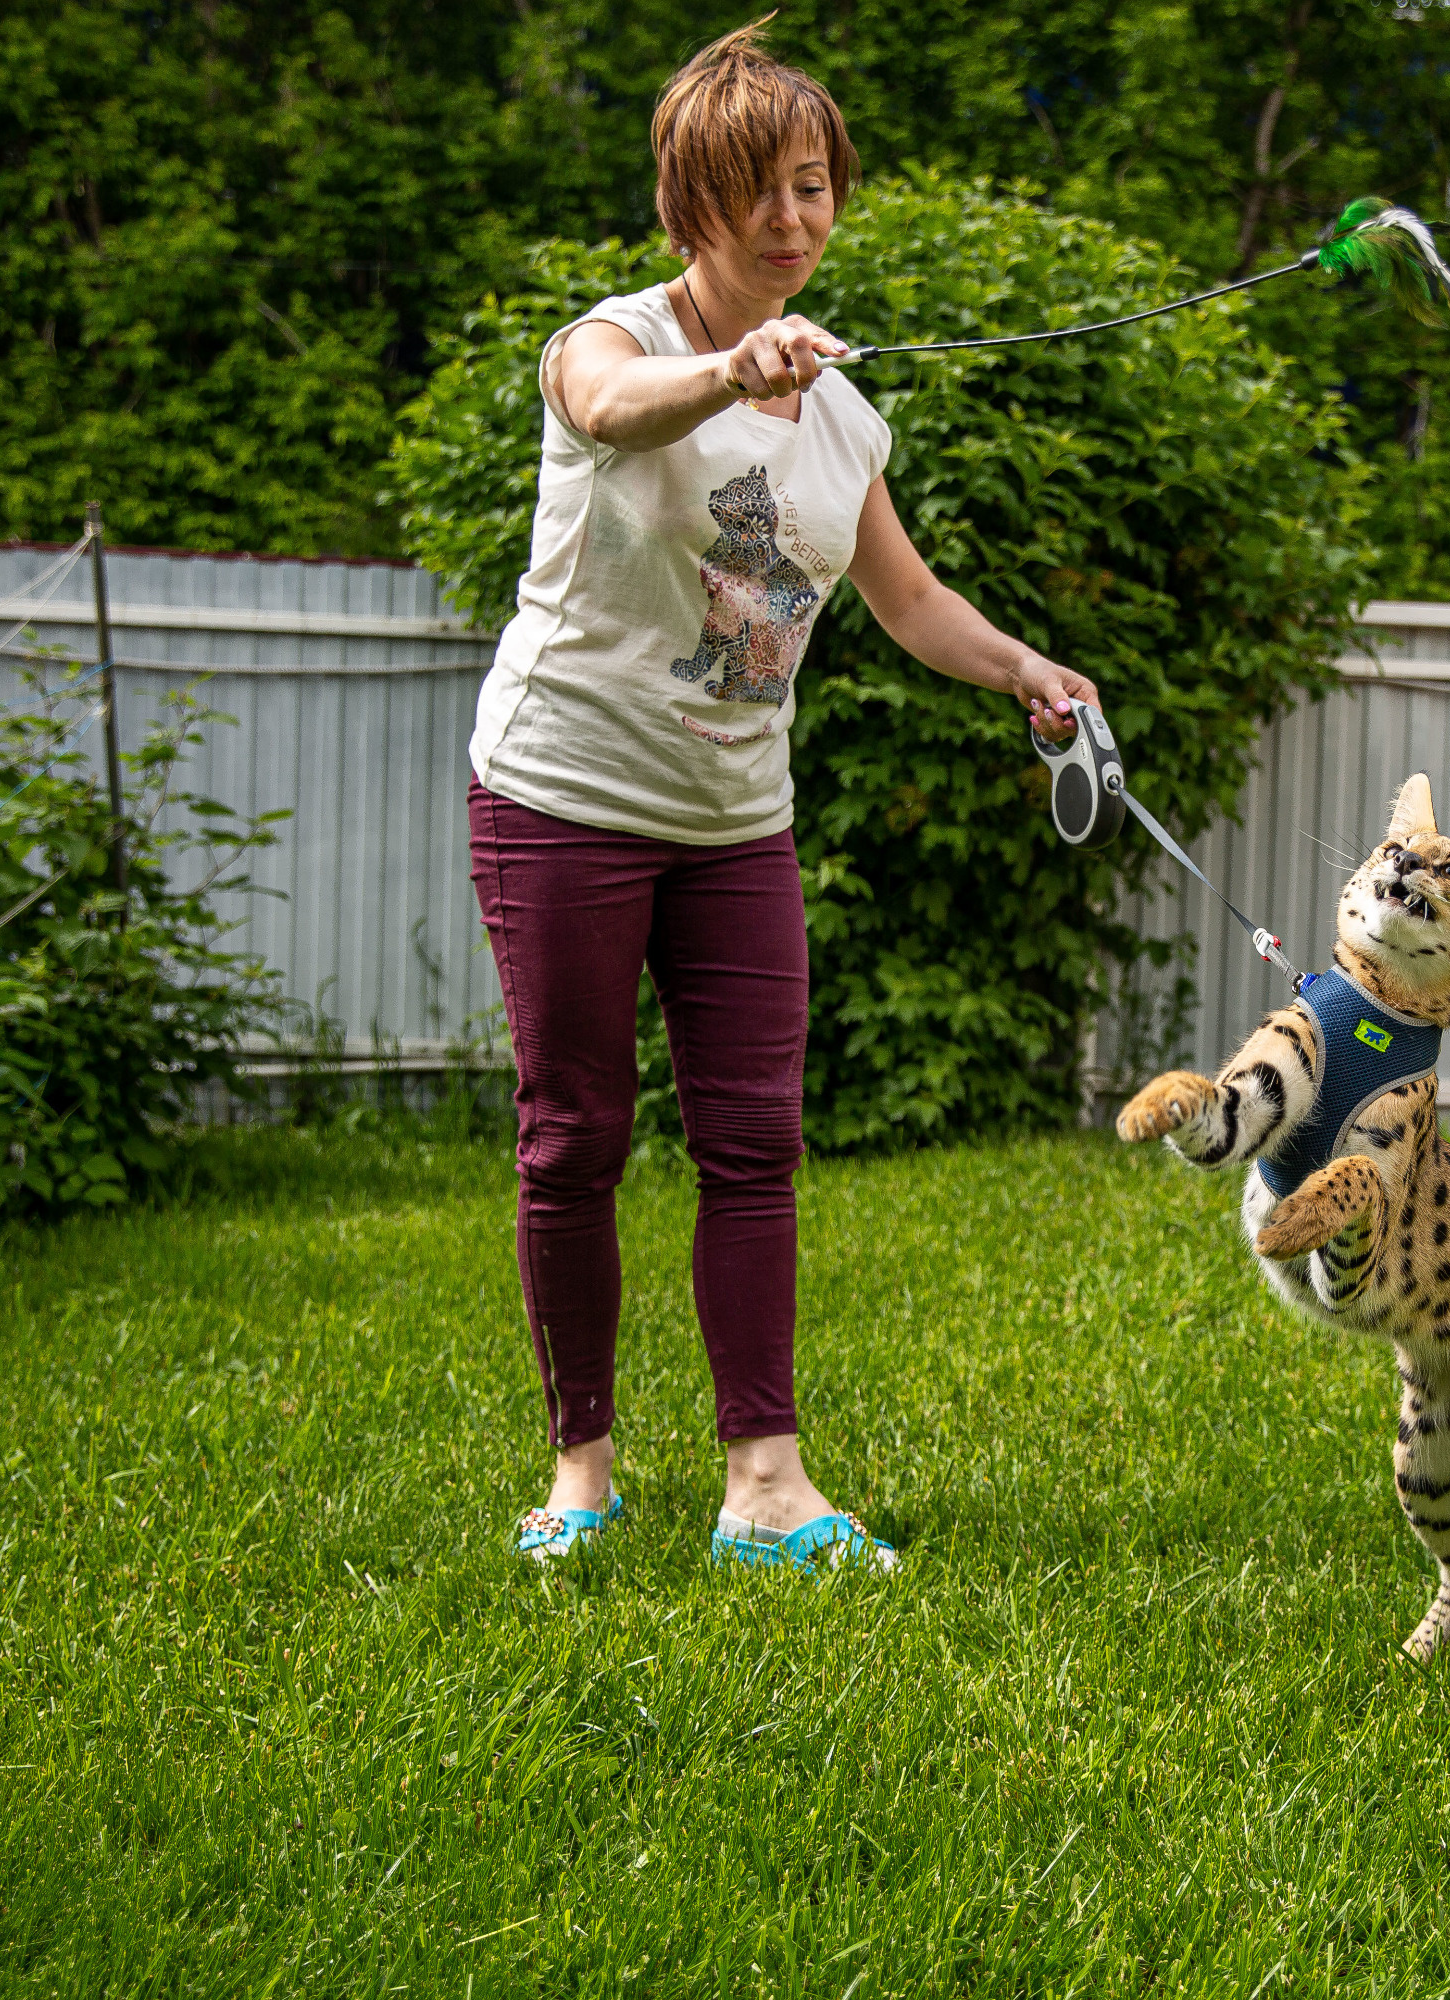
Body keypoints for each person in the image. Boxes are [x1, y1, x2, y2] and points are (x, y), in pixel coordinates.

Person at [467, 19, 1098, 1569]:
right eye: (764, 189)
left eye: (815, 188)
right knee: (579, 1138)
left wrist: (1024, 666)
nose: (795, 220)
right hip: (563, 793)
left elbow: (904, 599)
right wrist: (721, 370)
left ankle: (763, 1486)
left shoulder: (841, 408)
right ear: (694, 196)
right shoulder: (605, 341)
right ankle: (582, 1474)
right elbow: (620, 411)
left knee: (754, 1143)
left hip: (736, 818)